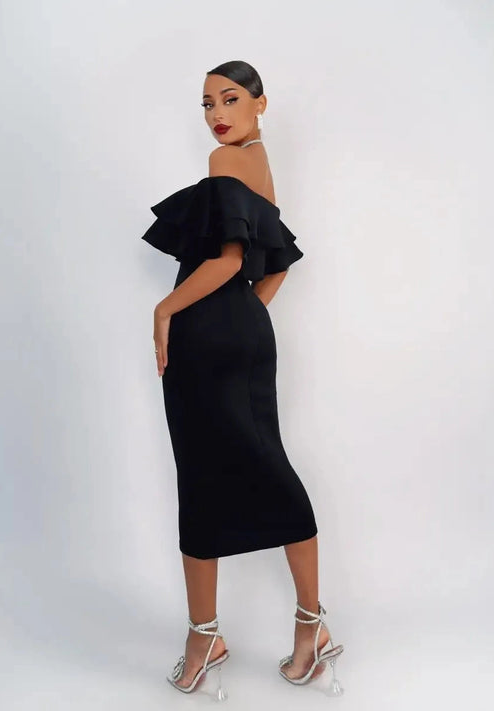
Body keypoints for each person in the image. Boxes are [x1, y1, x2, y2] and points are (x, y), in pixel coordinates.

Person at [141, 60, 344, 699]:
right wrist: (247, 315)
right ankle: (310, 625)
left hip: (206, 336)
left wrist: (165, 309)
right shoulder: (260, 165)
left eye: (230, 99)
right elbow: (276, 261)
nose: (217, 115)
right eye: (207, 104)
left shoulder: (225, 161)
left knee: (200, 471)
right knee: (264, 460)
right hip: (244, 334)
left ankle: (205, 638)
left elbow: (230, 260)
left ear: (260, 103)